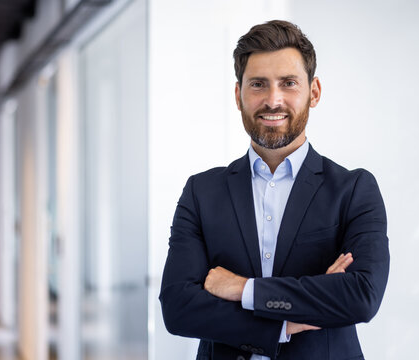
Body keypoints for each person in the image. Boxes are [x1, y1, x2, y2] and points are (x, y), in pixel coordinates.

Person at [159, 20, 389, 360]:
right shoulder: (201, 192)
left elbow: (361, 295)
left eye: (289, 83)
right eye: (258, 84)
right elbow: (178, 308)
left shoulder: (354, 189)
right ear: (238, 96)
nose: (273, 99)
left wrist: (242, 289)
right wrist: (287, 322)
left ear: (314, 92)